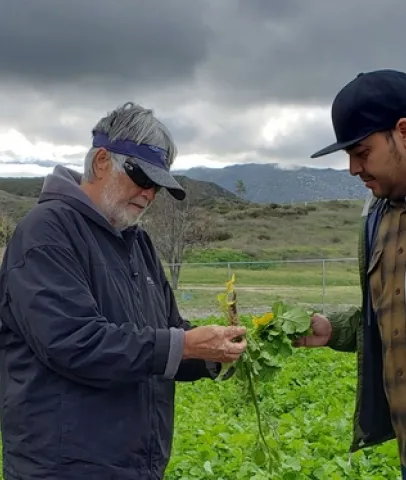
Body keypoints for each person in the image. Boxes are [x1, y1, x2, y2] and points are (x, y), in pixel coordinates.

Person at [0, 102, 247, 480]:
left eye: (158, 186)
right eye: (141, 178)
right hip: (64, 468)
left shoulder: (136, 242)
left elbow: (169, 329)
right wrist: (187, 344)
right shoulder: (46, 233)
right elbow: (74, 343)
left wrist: (216, 355)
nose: (149, 194)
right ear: (101, 161)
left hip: (135, 465)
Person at [295, 69, 406, 479]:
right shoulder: (382, 209)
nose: (352, 169)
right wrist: (334, 329)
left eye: (361, 152)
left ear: (404, 131)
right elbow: (405, 310)